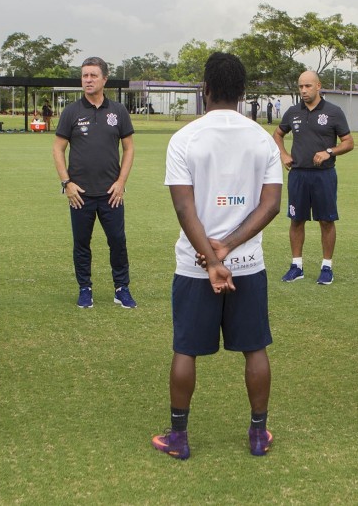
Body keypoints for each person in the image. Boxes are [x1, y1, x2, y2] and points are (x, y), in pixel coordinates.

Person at [152, 52, 282, 460]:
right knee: (255, 348)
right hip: (247, 265)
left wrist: (210, 259)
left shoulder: (185, 138)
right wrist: (226, 250)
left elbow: (184, 208)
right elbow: (271, 204)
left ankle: (179, 438)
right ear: (243, 94)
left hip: (195, 267)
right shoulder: (262, 138)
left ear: (204, 89)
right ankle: (258, 435)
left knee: (185, 350)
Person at [53, 57, 136, 308]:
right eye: (84, 76)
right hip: (80, 193)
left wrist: (121, 182)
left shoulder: (118, 111)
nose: (87, 80)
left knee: (118, 242)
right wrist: (67, 183)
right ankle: (85, 288)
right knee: (81, 244)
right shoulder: (71, 112)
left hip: (112, 193)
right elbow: (58, 149)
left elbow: (129, 149)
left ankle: (121, 288)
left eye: (93, 76)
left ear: (104, 79)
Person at [273, 71, 353, 285]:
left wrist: (329, 152)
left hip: (324, 175)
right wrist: (283, 154)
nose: (303, 90)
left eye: (308, 86)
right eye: (300, 87)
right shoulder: (292, 112)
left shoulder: (333, 112)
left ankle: (327, 267)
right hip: (298, 174)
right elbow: (278, 134)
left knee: (326, 220)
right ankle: (296, 266)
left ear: (318, 86)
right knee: (296, 220)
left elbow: (348, 142)